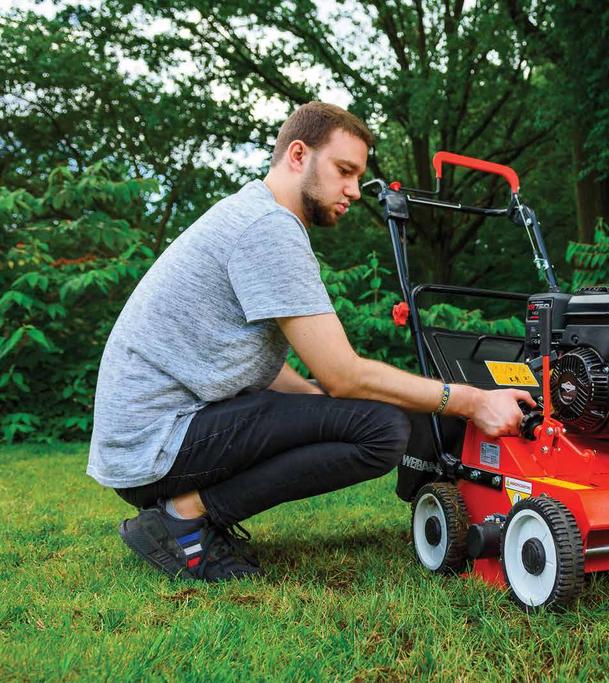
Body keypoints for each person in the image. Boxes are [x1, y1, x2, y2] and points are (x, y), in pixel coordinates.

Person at [88, 102, 534, 582]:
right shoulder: (268, 229)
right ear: (298, 155)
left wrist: (314, 405)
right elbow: (343, 375)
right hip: (156, 443)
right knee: (381, 430)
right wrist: (470, 401)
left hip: (147, 443)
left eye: (358, 177)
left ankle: (185, 513)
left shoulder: (252, 214)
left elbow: (244, 357)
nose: (353, 191)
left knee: (356, 414)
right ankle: (182, 517)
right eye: (344, 171)